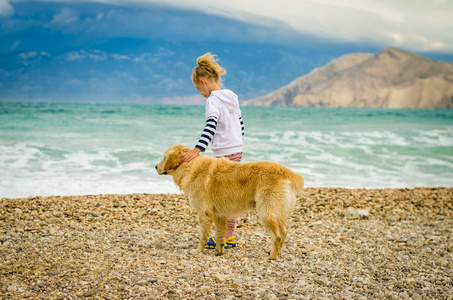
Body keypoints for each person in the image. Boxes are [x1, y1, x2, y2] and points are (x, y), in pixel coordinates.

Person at [180, 52, 244, 249]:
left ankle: (220, 237)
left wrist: (197, 150)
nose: (200, 93)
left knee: (221, 196)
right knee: (231, 194)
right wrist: (237, 142)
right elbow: (240, 124)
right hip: (237, 149)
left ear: (203, 81)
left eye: (199, 88)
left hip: (223, 152)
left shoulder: (213, 100)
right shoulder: (232, 96)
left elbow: (211, 126)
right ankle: (229, 236)